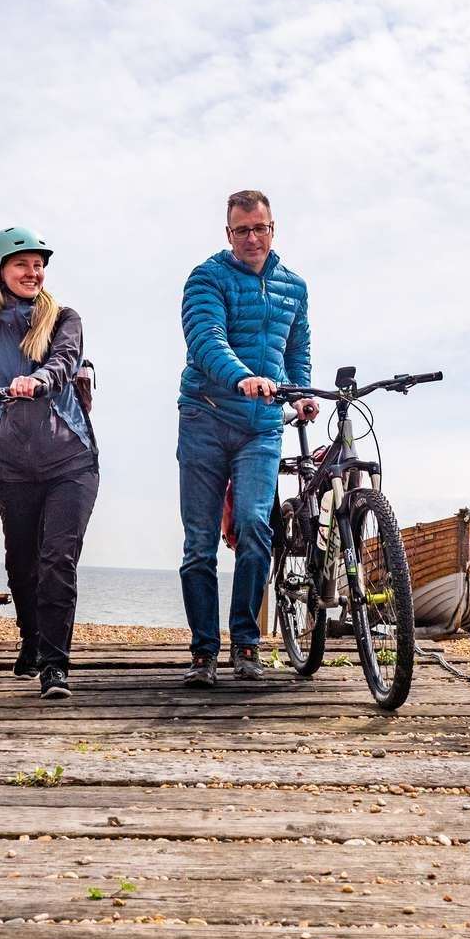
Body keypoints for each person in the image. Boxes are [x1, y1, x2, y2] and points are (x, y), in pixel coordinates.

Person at [177, 190, 317, 687]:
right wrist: (241, 376)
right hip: (205, 417)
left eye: (260, 228)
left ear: (273, 228)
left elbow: (295, 349)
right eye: (242, 230)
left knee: (257, 526)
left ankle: (246, 643)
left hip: (261, 426)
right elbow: (205, 338)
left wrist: (298, 395)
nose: (252, 237)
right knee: (199, 543)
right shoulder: (206, 278)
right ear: (228, 234)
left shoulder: (293, 287)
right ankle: (203, 652)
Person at [0, 226, 99, 700]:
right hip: (13, 461)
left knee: (57, 559)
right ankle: (31, 639)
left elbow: (64, 362)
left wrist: (36, 379)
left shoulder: (64, 318)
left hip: (70, 460)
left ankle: (55, 667)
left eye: (38, 265)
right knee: (20, 563)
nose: (33, 272)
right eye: (23, 265)